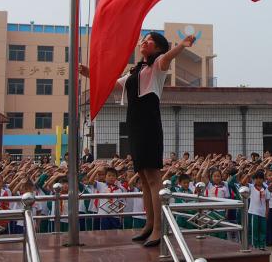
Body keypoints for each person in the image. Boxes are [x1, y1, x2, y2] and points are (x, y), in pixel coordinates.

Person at [79, 31, 196, 247]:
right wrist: (88, 73)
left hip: (149, 123)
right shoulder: (135, 72)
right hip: (134, 123)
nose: (145, 41)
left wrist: (183, 45)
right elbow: (112, 83)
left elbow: (169, 56)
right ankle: (149, 225)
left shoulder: (158, 66)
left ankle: (159, 228)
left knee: (153, 176)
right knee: (142, 176)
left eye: (150, 40)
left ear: (158, 48)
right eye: (144, 39)